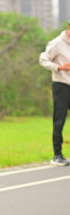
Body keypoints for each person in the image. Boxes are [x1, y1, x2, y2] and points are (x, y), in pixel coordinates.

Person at [39, 18, 70, 166]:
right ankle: (57, 155)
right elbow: (43, 59)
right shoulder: (57, 42)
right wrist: (58, 68)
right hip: (61, 86)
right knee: (59, 120)